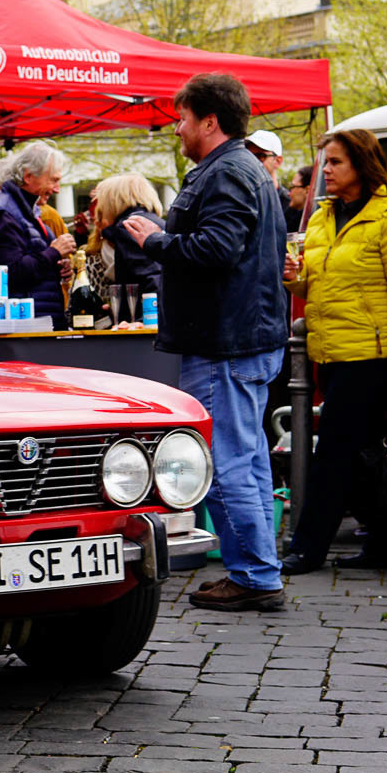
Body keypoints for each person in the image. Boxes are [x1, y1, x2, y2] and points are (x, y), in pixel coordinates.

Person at [122, 73, 288, 611]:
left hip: (225, 343)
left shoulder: (228, 172)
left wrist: (156, 241)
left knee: (226, 464)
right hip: (238, 339)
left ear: (209, 121)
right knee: (248, 460)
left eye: (183, 119)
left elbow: (217, 249)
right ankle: (257, 570)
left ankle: (255, 576)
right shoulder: (239, 169)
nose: (177, 128)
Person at [279, 129, 387, 575]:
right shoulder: (323, 216)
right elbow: (315, 285)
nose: (325, 170)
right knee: (365, 453)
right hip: (331, 352)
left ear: (362, 165)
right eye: (325, 162)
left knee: (333, 454)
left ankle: (308, 547)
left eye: (336, 162)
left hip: (371, 356)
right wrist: (294, 276)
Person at [0, 141, 77, 323]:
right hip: (23, 324)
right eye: (53, 180)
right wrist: (54, 253)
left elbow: (31, 259)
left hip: (34, 320)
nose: (57, 189)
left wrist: (58, 265)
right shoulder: (5, 214)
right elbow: (11, 271)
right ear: (28, 177)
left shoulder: (24, 209)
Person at [85, 173, 164, 301]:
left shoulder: (128, 226)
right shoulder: (159, 223)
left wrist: (147, 312)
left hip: (145, 309)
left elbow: (150, 276)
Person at [285, 165, 314, 234]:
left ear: (307, 190)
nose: (289, 193)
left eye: (292, 187)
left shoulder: (315, 222)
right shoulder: (290, 215)